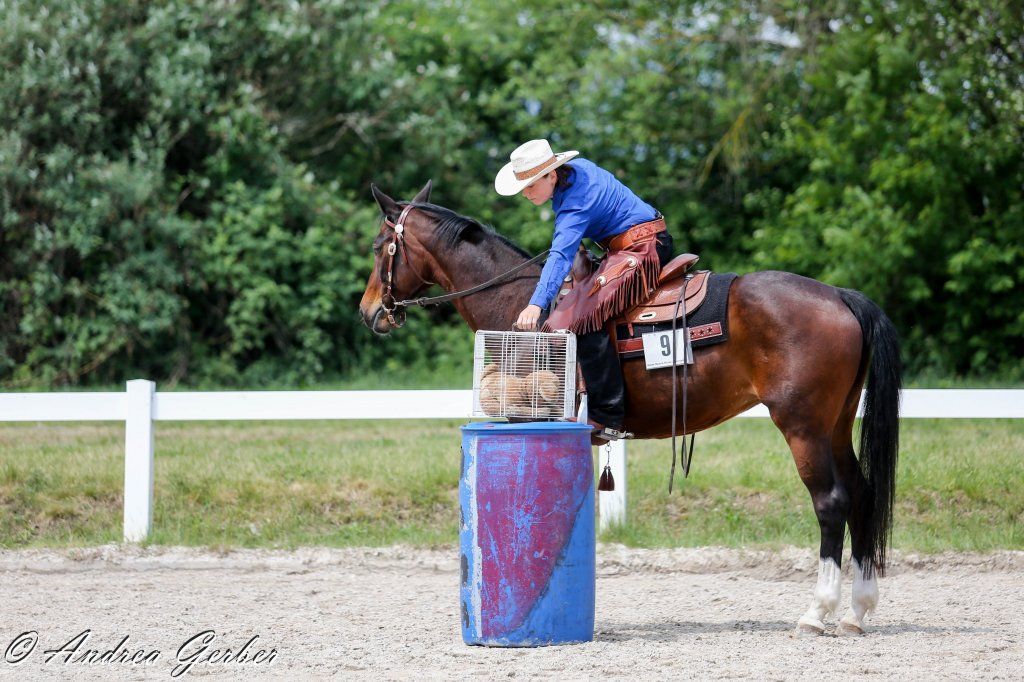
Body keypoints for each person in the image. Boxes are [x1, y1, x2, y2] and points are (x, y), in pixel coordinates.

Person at [494, 139, 674, 441]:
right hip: (628, 244)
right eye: (522, 187)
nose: (525, 193)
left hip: (645, 248)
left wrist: (536, 304)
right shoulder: (575, 172)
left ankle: (607, 416)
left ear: (551, 175)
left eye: (530, 185)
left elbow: (560, 254)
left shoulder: (575, 202)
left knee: (582, 318)